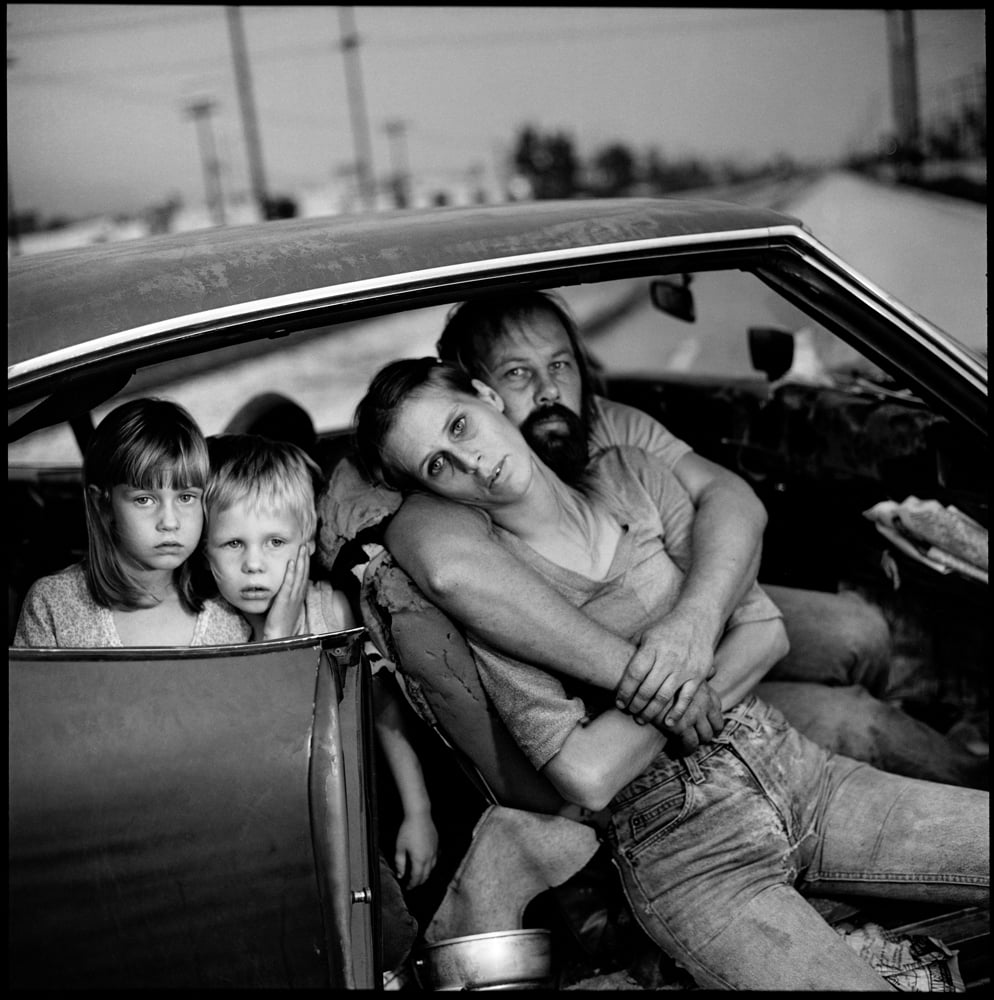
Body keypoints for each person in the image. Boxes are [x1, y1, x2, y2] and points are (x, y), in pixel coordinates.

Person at [352, 357, 989, 991]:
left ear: (490, 397)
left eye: (460, 426)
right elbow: (586, 774)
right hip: (682, 845)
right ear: (432, 493)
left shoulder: (632, 475)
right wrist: (686, 691)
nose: (469, 462)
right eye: (438, 465)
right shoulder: (496, 598)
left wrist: (687, 636)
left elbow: (768, 633)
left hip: (798, 766)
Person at [362, 291, 981, 785]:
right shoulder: (451, 482)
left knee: (860, 631)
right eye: (519, 374)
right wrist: (666, 686)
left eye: (560, 364)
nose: (549, 390)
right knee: (856, 723)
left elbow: (732, 500)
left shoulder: (612, 429)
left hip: (701, 625)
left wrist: (695, 623)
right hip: (644, 701)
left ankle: (881, 756)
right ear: (483, 389)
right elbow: (445, 564)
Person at [201, 433, 439, 897]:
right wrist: (276, 640)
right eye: (232, 543)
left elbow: (383, 713)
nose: (254, 564)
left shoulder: (334, 613)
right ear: (204, 549)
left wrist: (419, 811)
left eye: (275, 541)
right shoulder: (208, 629)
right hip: (258, 833)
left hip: (348, 817)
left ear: (307, 543)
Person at [13, 397, 249, 648]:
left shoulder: (229, 607)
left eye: (186, 497)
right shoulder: (54, 605)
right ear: (102, 504)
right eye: (144, 500)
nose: (170, 522)